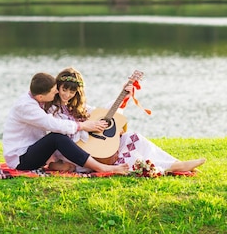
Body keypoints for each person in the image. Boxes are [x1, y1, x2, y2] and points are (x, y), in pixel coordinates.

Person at [44, 67, 205, 174]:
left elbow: (102, 114)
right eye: (64, 89)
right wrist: (86, 127)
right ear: (58, 87)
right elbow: (60, 130)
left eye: (72, 91)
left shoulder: (79, 106)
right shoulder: (52, 108)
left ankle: (175, 162)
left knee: (133, 138)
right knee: (128, 157)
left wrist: (122, 96)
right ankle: (172, 168)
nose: (67, 94)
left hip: (93, 145)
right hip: (73, 151)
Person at [2, 72, 130, 175]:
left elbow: (96, 112)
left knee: (58, 138)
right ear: (41, 97)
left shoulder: (39, 100)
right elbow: (52, 124)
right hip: (20, 159)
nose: (57, 92)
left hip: (34, 151)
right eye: (54, 91)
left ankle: (57, 164)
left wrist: (123, 96)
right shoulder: (26, 107)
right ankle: (102, 168)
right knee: (56, 137)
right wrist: (82, 126)